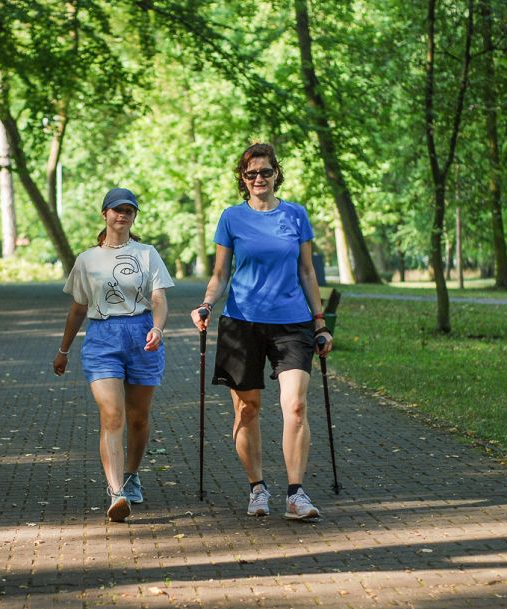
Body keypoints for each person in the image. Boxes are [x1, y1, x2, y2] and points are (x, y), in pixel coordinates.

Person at [190, 142, 332, 520]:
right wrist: (206, 304)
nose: (258, 179)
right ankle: (257, 488)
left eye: (265, 172)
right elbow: (221, 274)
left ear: (275, 174)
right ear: (243, 178)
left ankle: (296, 494)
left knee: (296, 406)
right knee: (247, 410)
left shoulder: (296, 215)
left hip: (291, 323)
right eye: (251, 173)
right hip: (242, 322)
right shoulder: (231, 218)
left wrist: (320, 321)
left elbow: (306, 271)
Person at [53, 188, 174, 523]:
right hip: (102, 338)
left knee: (138, 418)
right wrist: (63, 350)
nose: (122, 215)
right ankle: (116, 491)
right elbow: (77, 308)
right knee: (112, 415)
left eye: (129, 211)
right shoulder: (87, 259)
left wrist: (159, 328)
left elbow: (159, 297)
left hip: (142, 334)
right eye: (116, 210)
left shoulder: (148, 254)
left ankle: (132, 475)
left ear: (134, 217)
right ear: (104, 214)